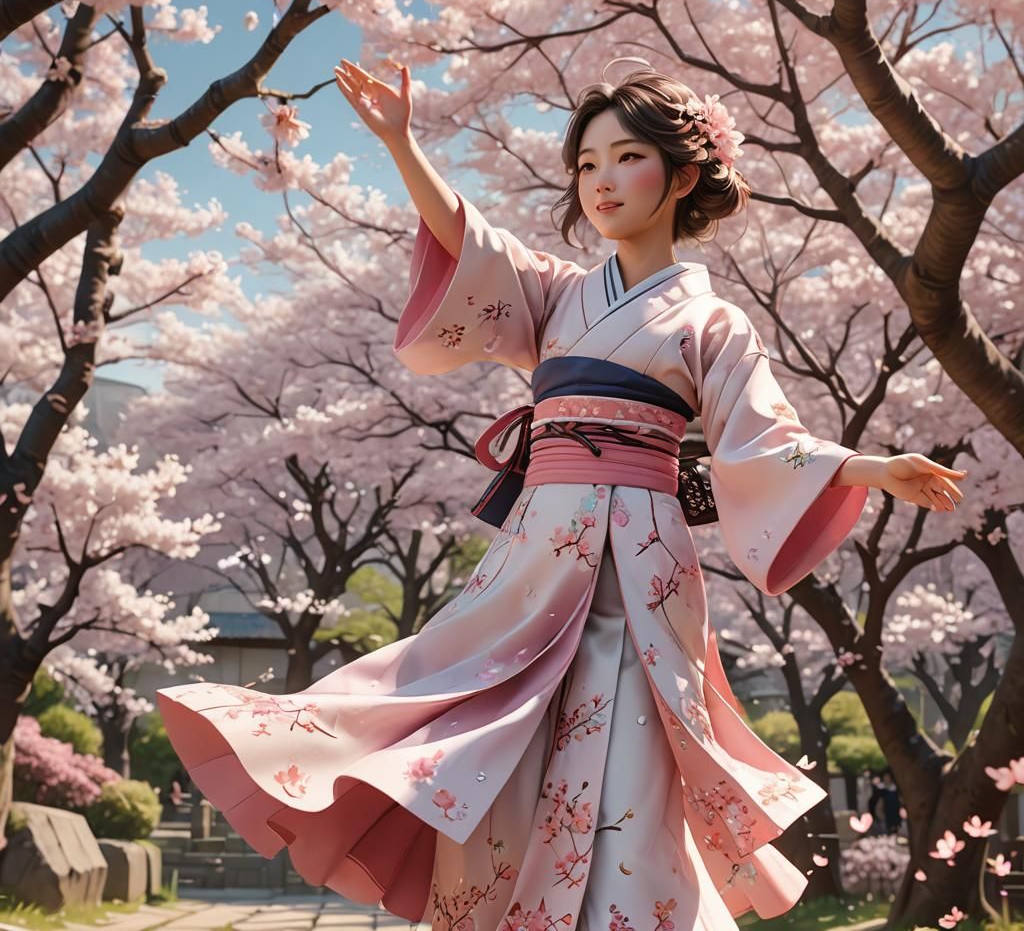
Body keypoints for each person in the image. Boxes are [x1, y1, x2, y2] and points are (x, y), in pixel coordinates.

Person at [156, 55, 968, 931]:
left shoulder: (713, 321)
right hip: (538, 553)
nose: (601, 181)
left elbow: (765, 439)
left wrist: (868, 468)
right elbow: (468, 240)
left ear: (682, 176)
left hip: (642, 562)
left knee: (633, 759)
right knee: (487, 734)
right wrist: (401, 145)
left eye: (627, 158)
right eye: (586, 164)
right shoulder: (556, 295)